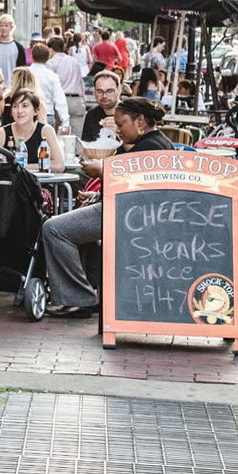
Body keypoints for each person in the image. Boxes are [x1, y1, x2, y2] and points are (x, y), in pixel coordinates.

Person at [43, 98, 174, 318]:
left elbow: (139, 184)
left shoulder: (151, 146)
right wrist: (96, 194)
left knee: (54, 228)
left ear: (139, 120)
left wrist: (101, 172)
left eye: (121, 124)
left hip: (125, 213)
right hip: (123, 209)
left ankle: (77, 299)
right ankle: (92, 293)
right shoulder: (155, 142)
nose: (119, 131)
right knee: (76, 230)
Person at [0, 89, 64, 172]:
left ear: (36, 111)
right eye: (15, 106)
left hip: (40, 183)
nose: (19, 111)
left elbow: (59, 165)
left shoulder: (45, 131)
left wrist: (20, 167)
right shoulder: (2, 132)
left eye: (25, 106)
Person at [46, 36, 85, 137]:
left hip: (61, 101)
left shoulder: (51, 63)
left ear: (51, 49)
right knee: (77, 135)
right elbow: (81, 82)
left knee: (59, 135)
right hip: (77, 100)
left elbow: (50, 86)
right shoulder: (74, 61)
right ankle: (78, 152)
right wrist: (83, 100)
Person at [28, 43, 69, 131]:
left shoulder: (25, 74)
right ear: (48, 57)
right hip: (47, 113)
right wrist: (65, 122)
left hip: (27, 114)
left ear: (32, 56)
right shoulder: (52, 76)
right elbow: (60, 100)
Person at [0, 14, 27, 85]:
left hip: (12, 86)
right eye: (1, 25)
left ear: (11, 27)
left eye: (6, 26)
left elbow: (22, 70)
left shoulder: (19, 47)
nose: (3, 28)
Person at [82, 71, 121, 142]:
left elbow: (139, 149)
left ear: (119, 91)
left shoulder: (130, 114)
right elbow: (86, 145)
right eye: (100, 91)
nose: (104, 96)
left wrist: (120, 133)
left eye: (109, 91)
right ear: (94, 92)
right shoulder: (92, 115)